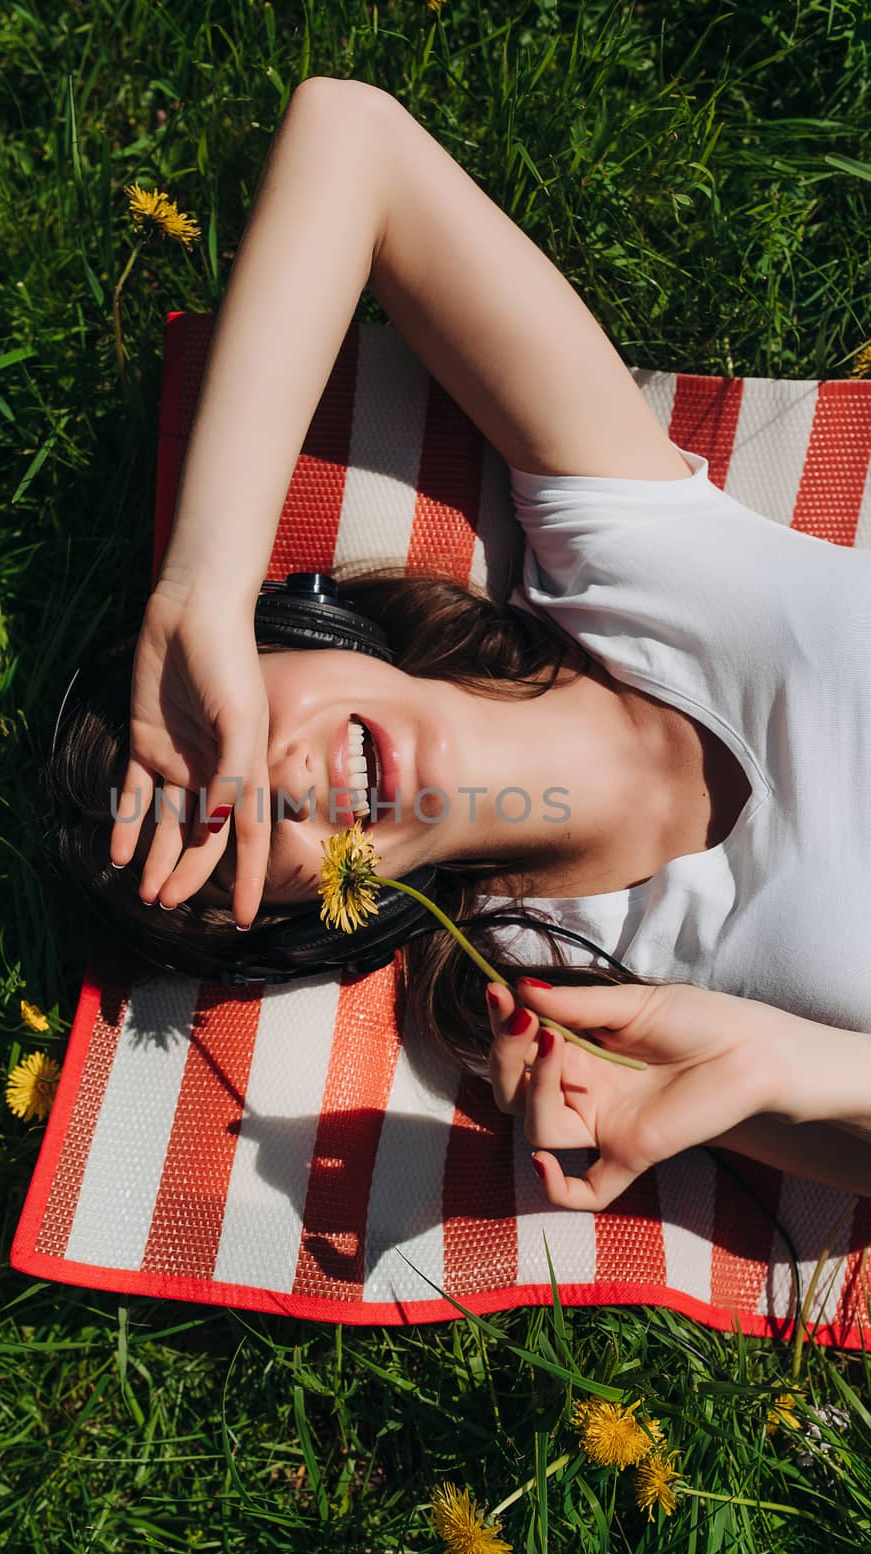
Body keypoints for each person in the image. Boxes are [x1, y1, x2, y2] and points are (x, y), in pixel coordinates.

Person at [44, 77, 871, 1210]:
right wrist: (789, 1071)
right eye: (235, 836)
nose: (280, 784)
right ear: (319, 922)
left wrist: (201, 587)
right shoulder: (588, 1014)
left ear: (299, 635)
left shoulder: (630, 556)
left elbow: (354, 139)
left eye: (224, 730)